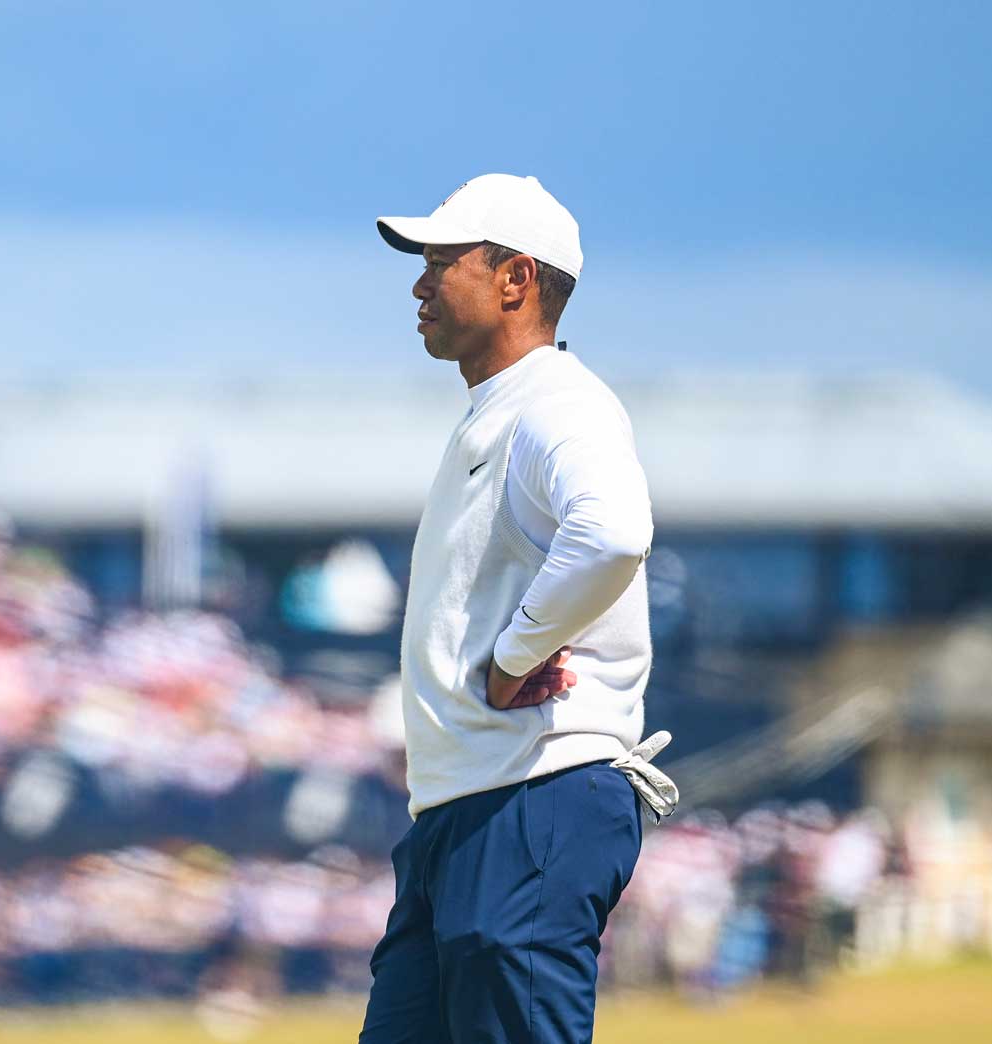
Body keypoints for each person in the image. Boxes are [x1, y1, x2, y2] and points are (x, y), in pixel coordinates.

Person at [359, 174, 678, 1043]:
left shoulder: (555, 403)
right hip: (469, 807)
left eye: (441, 262)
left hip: (533, 793)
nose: (420, 284)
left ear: (516, 280)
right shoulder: (497, 414)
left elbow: (612, 533)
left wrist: (511, 658)